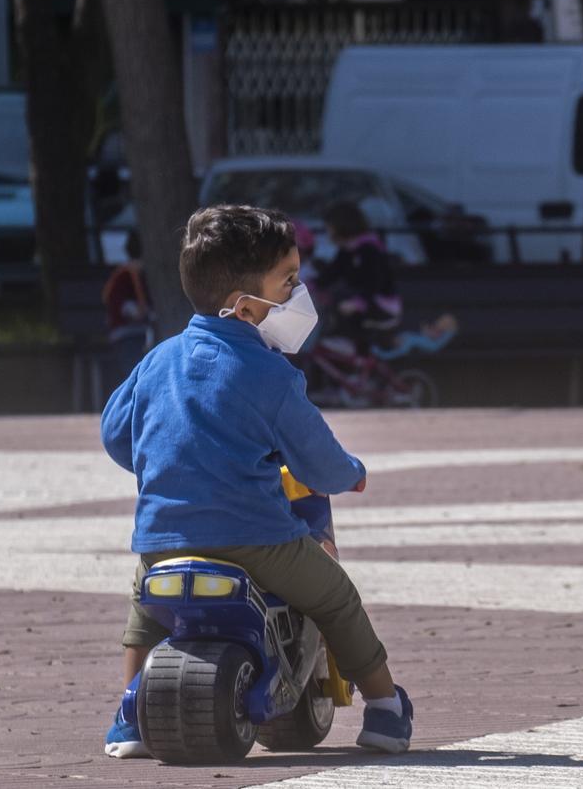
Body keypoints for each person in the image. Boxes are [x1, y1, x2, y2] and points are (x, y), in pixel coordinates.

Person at [99, 205, 413, 758]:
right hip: (258, 539)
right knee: (336, 597)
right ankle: (385, 711)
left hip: (163, 537)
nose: (299, 293)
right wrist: (353, 474)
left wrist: (161, 462)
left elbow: (115, 433)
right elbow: (317, 462)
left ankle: (129, 714)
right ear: (246, 307)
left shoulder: (157, 361)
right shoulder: (271, 374)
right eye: (288, 282)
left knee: (145, 611)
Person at [317, 201, 456, 359]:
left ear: (341, 226)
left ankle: (349, 343)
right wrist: (309, 284)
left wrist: (358, 302)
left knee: (340, 302)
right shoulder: (347, 251)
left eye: (330, 227)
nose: (327, 232)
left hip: (382, 305)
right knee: (333, 300)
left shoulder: (369, 249)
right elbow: (332, 273)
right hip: (366, 301)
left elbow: (374, 282)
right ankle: (354, 360)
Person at [101, 230, 154, 387]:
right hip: (127, 332)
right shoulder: (130, 274)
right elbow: (125, 307)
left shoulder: (122, 273)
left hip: (133, 331)